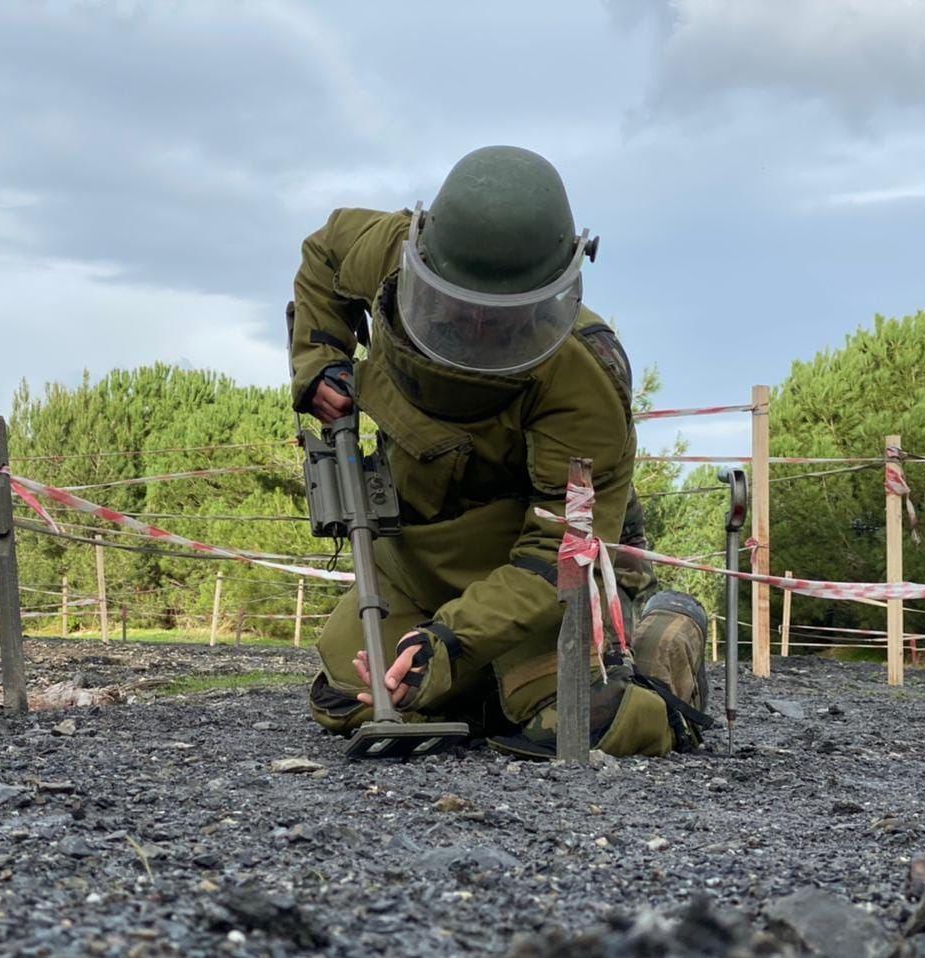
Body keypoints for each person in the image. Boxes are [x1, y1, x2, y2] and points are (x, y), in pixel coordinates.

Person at [289, 145, 710, 757]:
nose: (477, 330)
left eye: (502, 316)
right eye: (458, 306)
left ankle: (656, 635)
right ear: (422, 249)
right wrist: (320, 360)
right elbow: (324, 253)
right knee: (344, 701)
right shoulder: (388, 251)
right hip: (417, 562)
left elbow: (555, 555)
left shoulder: (585, 381)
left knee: (580, 726)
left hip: (533, 582)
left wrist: (451, 644)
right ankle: (489, 687)